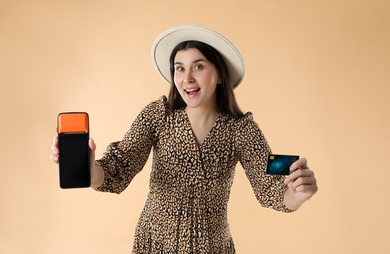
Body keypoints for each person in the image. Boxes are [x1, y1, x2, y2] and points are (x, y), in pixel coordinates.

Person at [50, 24, 318, 253]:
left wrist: (297, 193)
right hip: (154, 244)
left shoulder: (242, 130)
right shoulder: (157, 116)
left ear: (220, 75)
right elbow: (117, 171)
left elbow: (270, 189)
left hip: (213, 248)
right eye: (179, 68)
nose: (187, 78)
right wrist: (87, 169)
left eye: (198, 66)